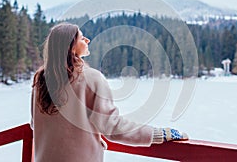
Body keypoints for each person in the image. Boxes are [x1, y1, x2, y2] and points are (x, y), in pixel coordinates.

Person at [31, 22, 188, 162]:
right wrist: (156, 134)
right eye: (81, 37)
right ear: (71, 47)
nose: (87, 40)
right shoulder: (92, 78)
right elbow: (112, 127)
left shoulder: (41, 79)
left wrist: (90, 139)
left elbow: (35, 123)